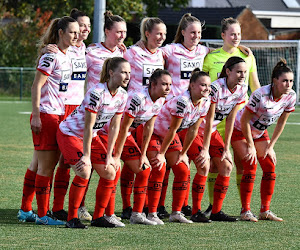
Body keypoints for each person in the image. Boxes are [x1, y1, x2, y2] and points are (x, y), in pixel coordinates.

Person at [18, 16, 79, 225]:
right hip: (47, 114)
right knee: (47, 167)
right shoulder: (51, 56)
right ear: (60, 32)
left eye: (77, 32)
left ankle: (26, 210)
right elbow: (36, 86)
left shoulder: (66, 55)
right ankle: (43, 215)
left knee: (37, 164)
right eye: (72, 31)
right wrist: (36, 114)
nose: (76, 35)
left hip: (58, 114)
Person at [57, 57, 130, 229]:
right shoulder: (96, 92)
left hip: (92, 136)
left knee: (110, 171)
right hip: (71, 133)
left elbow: (114, 127)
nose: (127, 76)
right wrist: (87, 155)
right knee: (84, 171)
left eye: (129, 73)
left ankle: (98, 217)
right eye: (123, 72)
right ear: (111, 73)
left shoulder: (122, 95)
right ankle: (72, 218)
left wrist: (111, 156)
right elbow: (88, 126)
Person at [202, 17, 261, 215]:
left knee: (241, 162)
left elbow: (255, 86)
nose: (236, 37)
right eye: (232, 34)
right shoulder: (209, 57)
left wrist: (262, 111)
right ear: (223, 36)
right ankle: (212, 206)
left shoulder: (247, 56)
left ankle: (245, 209)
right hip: (211, 118)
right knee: (213, 166)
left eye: (239, 34)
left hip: (237, 119)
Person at [98, 69, 172, 226]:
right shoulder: (138, 98)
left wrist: (143, 153)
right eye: (164, 84)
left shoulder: (159, 100)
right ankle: (108, 214)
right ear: (153, 84)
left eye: (170, 84)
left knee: (144, 168)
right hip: (107, 134)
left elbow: (148, 127)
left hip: (125, 135)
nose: (168, 88)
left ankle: (137, 214)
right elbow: (123, 127)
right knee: (114, 170)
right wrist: (117, 155)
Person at [157, 13, 210, 218]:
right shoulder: (171, 50)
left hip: (190, 115)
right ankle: (159, 206)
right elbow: (150, 51)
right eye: (192, 32)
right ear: (183, 33)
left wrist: (240, 48)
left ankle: (184, 204)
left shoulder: (203, 50)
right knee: (168, 166)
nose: (196, 36)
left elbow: (218, 51)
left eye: (199, 32)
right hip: (170, 113)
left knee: (184, 160)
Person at [142, 69, 211, 224]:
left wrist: (183, 153)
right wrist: (161, 154)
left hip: (168, 135)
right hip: (154, 133)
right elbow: (173, 129)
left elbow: (192, 130)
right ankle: (152, 212)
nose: (206, 88)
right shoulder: (182, 101)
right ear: (192, 85)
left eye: (208, 85)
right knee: (159, 168)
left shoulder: (205, 102)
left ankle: (176, 213)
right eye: (202, 85)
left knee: (183, 169)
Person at [231, 59, 296, 222]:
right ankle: (245, 211)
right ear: (275, 81)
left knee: (270, 166)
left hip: (259, 133)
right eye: (285, 81)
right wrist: (251, 146)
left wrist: (271, 146)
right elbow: (244, 120)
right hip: (240, 130)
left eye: (291, 81)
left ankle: (264, 210)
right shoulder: (260, 94)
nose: (288, 85)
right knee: (250, 164)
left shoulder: (291, 96)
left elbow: (281, 122)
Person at [120, 17, 166, 219]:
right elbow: (114, 63)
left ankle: (147, 206)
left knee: (144, 161)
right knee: (128, 165)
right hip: (128, 114)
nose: (161, 37)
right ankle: (127, 206)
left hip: (148, 115)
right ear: (147, 33)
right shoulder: (131, 52)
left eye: (164, 34)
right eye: (158, 33)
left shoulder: (163, 55)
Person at [50, 8, 92, 222]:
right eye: (81, 25)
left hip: (77, 109)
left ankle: (75, 206)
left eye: (88, 26)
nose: (84, 29)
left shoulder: (86, 49)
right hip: (60, 107)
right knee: (56, 161)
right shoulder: (58, 49)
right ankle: (53, 207)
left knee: (72, 162)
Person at [196, 56, 248, 222]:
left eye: (244, 72)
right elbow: (209, 118)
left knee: (226, 165)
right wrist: (205, 149)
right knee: (201, 165)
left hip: (211, 132)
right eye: (238, 71)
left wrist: (226, 147)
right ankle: (191, 210)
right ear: (228, 71)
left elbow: (231, 118)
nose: (242, 75)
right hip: (195, 130)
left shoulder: (241, 89)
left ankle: (216, 212)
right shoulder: (216, 88)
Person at [86, 11, 126, 92]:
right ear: (107, 31)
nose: (122, 36)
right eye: (118, 32)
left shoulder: (123, 52)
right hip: (94, 101)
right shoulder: (92, 52)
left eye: (124, 32)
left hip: (115, 102)